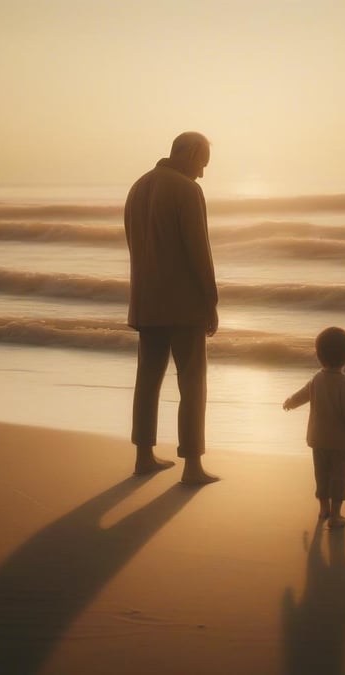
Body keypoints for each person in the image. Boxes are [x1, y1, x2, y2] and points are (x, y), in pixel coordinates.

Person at [124, 131, 220, 485]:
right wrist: (211, 301)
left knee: (147, 380)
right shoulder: (187, 190)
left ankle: (143, 457)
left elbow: (134, 245)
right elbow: (199, 252)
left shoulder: (138, 187)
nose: (202, 173)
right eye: (202, 163)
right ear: (192, 152)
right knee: (193, 383)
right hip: (183, 305)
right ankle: (192, 466)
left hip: (146, 301)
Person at [283, 327, 345, 527]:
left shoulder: (317, 379)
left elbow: (303, 395)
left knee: (321, 475)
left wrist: (290, 402)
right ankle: (335, 516)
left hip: (318, 439)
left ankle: (323, 509)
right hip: (340, 443)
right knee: (339, 477)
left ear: (318, 354)